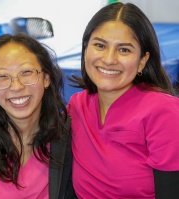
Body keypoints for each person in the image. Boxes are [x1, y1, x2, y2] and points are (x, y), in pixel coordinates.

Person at [67, 2, 179, 198]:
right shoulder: (77, 106)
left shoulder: (164, 112)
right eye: (100, 45)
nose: (109, 59)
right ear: (85, 50)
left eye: (124, 50)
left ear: (142, 61)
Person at [0, 33, 76, 199]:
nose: (16, 86)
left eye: (27, 72)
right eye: (2, 76)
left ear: (46, 78)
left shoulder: (68, 140)